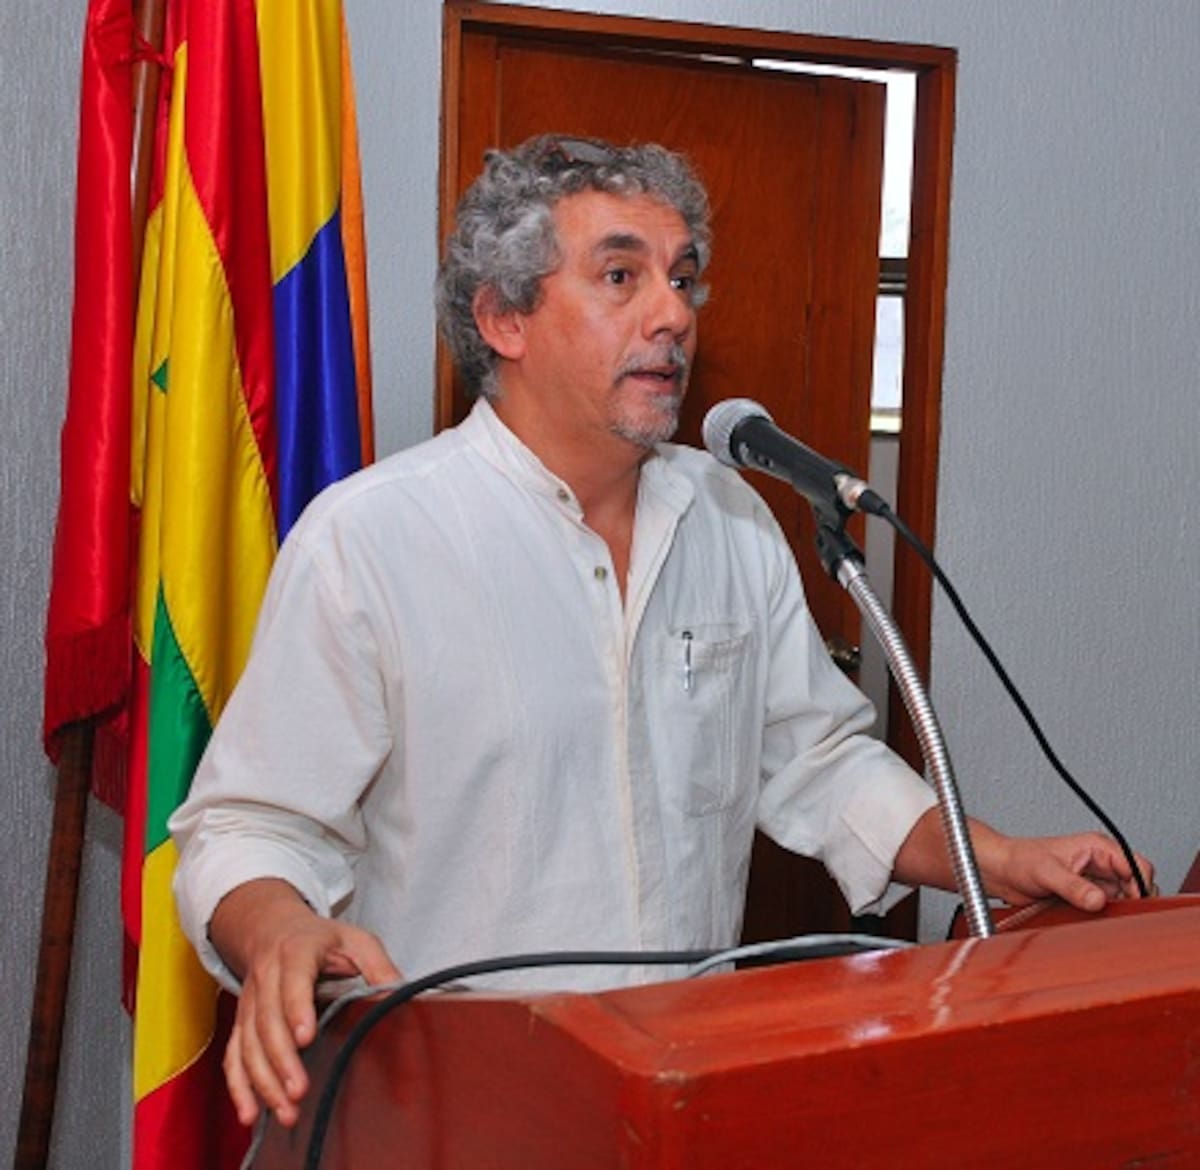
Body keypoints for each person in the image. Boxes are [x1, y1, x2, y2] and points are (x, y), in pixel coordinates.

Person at [170, 135, 1152, 1129]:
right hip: (453, 1105)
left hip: (683, 1092)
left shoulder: (730, 517)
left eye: (683, 279)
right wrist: (278, 927)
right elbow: (247, 826)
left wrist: (1002, 860)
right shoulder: (372, 539)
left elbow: (822, 767)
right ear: (504, 317)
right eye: (621, 275)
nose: (674, 313)